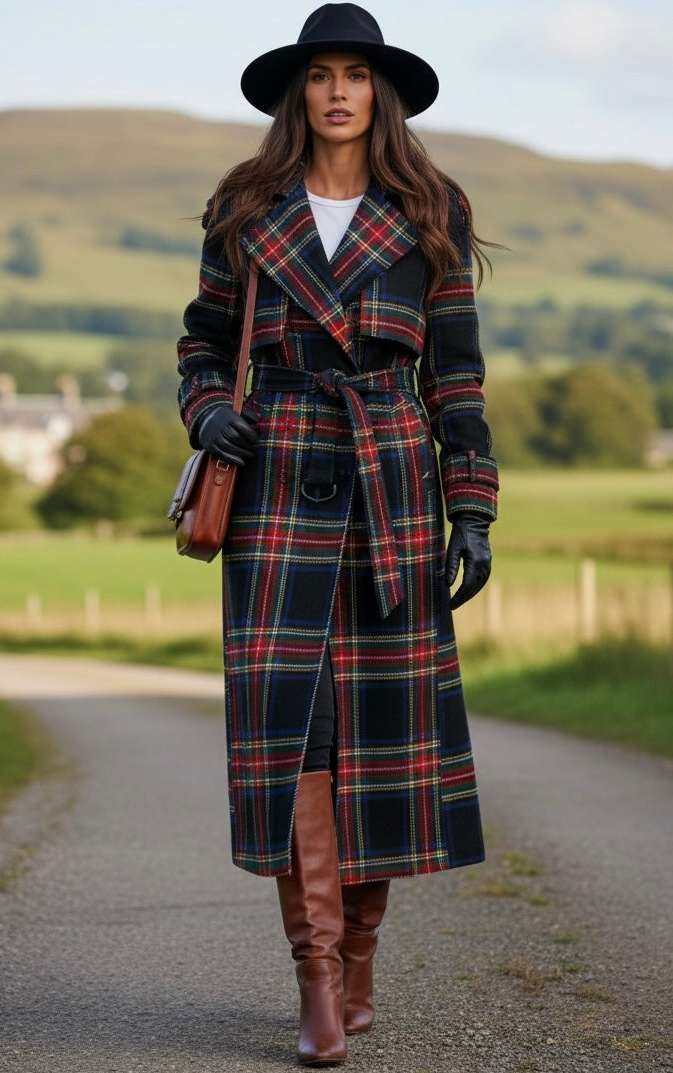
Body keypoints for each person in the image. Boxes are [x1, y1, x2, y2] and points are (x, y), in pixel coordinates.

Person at [177, 4, 498, 1065]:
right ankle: (314, 970)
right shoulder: (246, 202)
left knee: (379, 741)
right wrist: (207, 412)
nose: (336, 91)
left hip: (391, 486)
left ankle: (360, 956)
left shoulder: (427, 206)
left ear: (379, 91)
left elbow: (452, 374)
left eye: (354, 72)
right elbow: (201, 342)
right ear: (297, 92)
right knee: (295, 739)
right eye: (319, 73)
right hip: (272, 484)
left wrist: (473, 505)